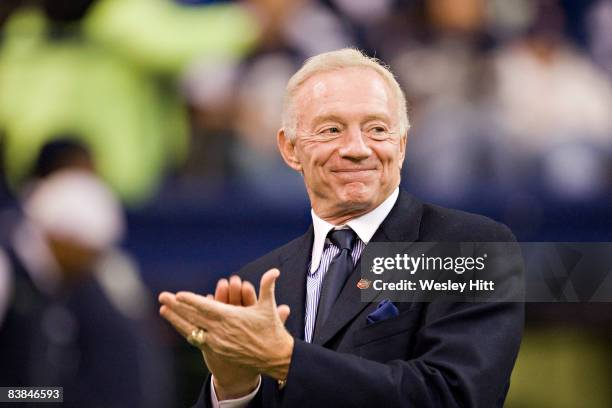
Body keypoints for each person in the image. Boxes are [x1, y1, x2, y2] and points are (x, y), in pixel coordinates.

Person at [159, 48, 523, 407]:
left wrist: (287, 359)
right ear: (290, 149)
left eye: (377, 128)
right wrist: (234, 389)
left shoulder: (467, 248)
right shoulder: (259, 284)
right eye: (332, 129)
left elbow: (454, 396)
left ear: (402, 145)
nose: (357, 148)